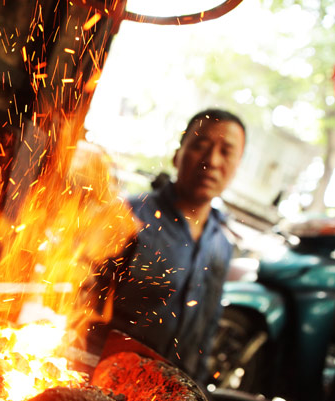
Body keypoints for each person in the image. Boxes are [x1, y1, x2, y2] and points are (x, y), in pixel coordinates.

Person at [88, 108, 246, 386]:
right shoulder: (128, 219)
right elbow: (80, 305)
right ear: (178, 153)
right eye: (200, 146)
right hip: (106, 381)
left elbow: (206, 330)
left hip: (174, 392)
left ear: (236, 167)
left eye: (226, 152)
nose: (211, 160)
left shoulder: (221, 243)